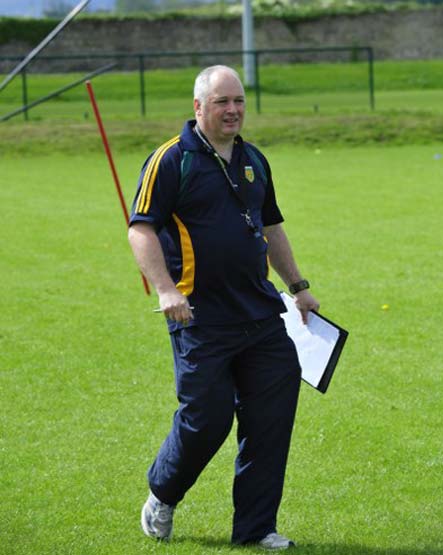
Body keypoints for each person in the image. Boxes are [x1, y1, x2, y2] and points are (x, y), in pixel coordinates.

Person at [128, 65, 320, 550]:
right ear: (198, 108)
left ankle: (256, 529)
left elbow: (271, 226)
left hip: (260, 315)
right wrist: (167, 290)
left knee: (270, 419)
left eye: (238, 101)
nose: (232, 110)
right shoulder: (172, 160)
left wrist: (298, 285)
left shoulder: (254, 158)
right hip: (199, 317)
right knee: (206, 419)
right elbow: (141, 228)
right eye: (221, 102)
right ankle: (163, 493)